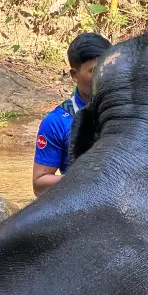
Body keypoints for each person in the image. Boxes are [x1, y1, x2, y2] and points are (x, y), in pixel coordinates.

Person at [32, 32, 111, 196]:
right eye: (94, 70)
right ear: (74, 75)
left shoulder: (129, 111)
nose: (104, 76)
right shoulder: (56, 122)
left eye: (108, 68)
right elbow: (39, 184)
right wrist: (85, 178)